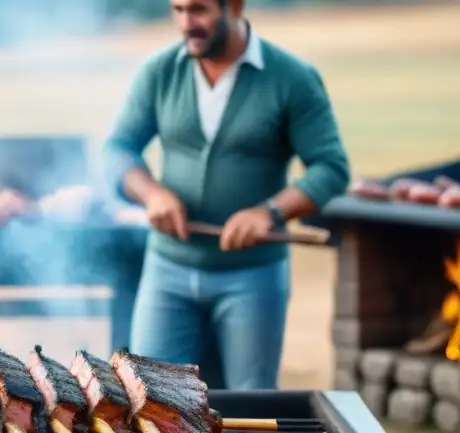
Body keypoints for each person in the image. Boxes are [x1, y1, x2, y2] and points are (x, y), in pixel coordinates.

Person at [104, 0, 350, 389]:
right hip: (166, 271)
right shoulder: (159, 70)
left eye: (199, 10)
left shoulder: (292, 77)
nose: (186, 23)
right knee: (149, 402)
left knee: (249, 406)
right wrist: (151, 193)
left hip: (253, 277)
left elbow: (331, 169)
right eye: (178, 9)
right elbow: (118, 149)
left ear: (234, 5)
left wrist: (269, 212)